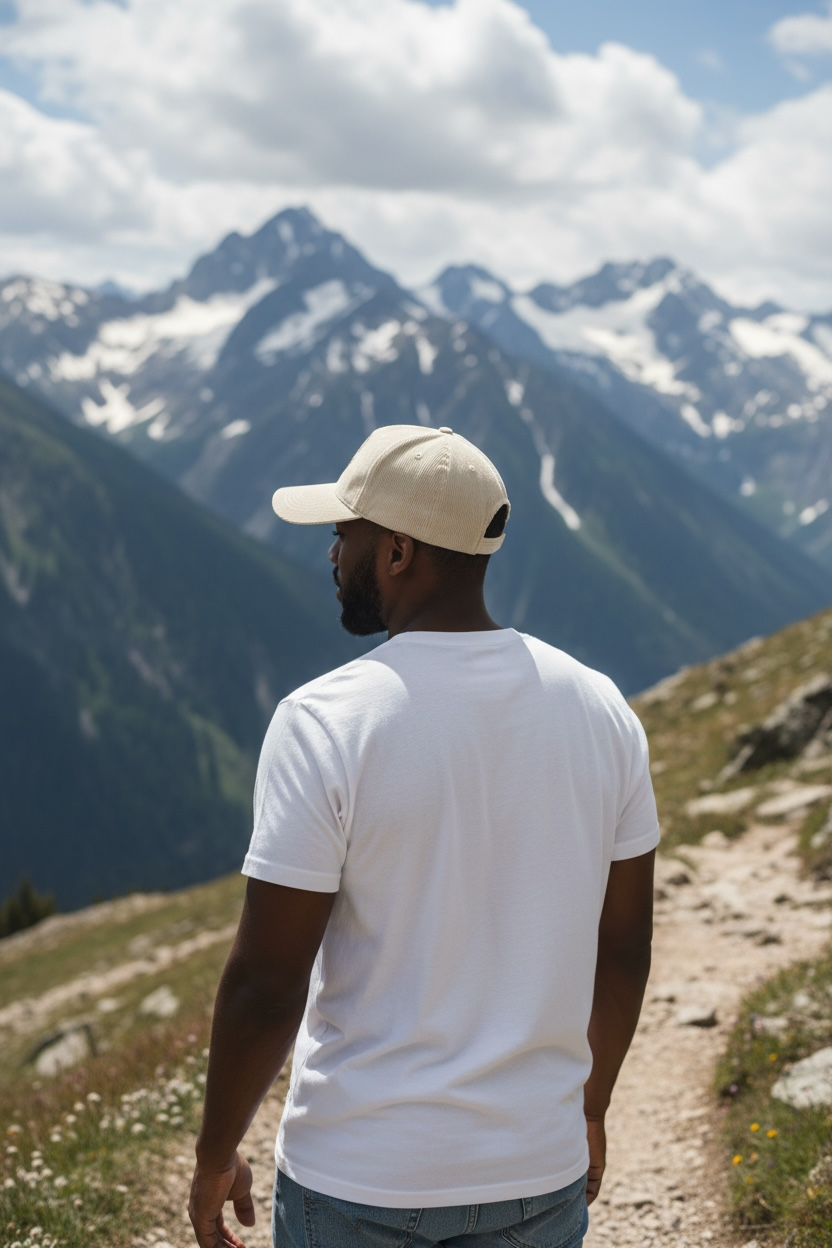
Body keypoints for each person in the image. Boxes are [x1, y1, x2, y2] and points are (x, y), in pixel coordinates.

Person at [189, 424, 658, 1248]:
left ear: (398, 553)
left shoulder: (325, 721)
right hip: (536, 1174)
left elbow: (267, 981)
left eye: (346, 532)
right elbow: (622, 949)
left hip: (358, 1176)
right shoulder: (603, 710)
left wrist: (215, 1152)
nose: (333, 552)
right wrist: (588, 1110)